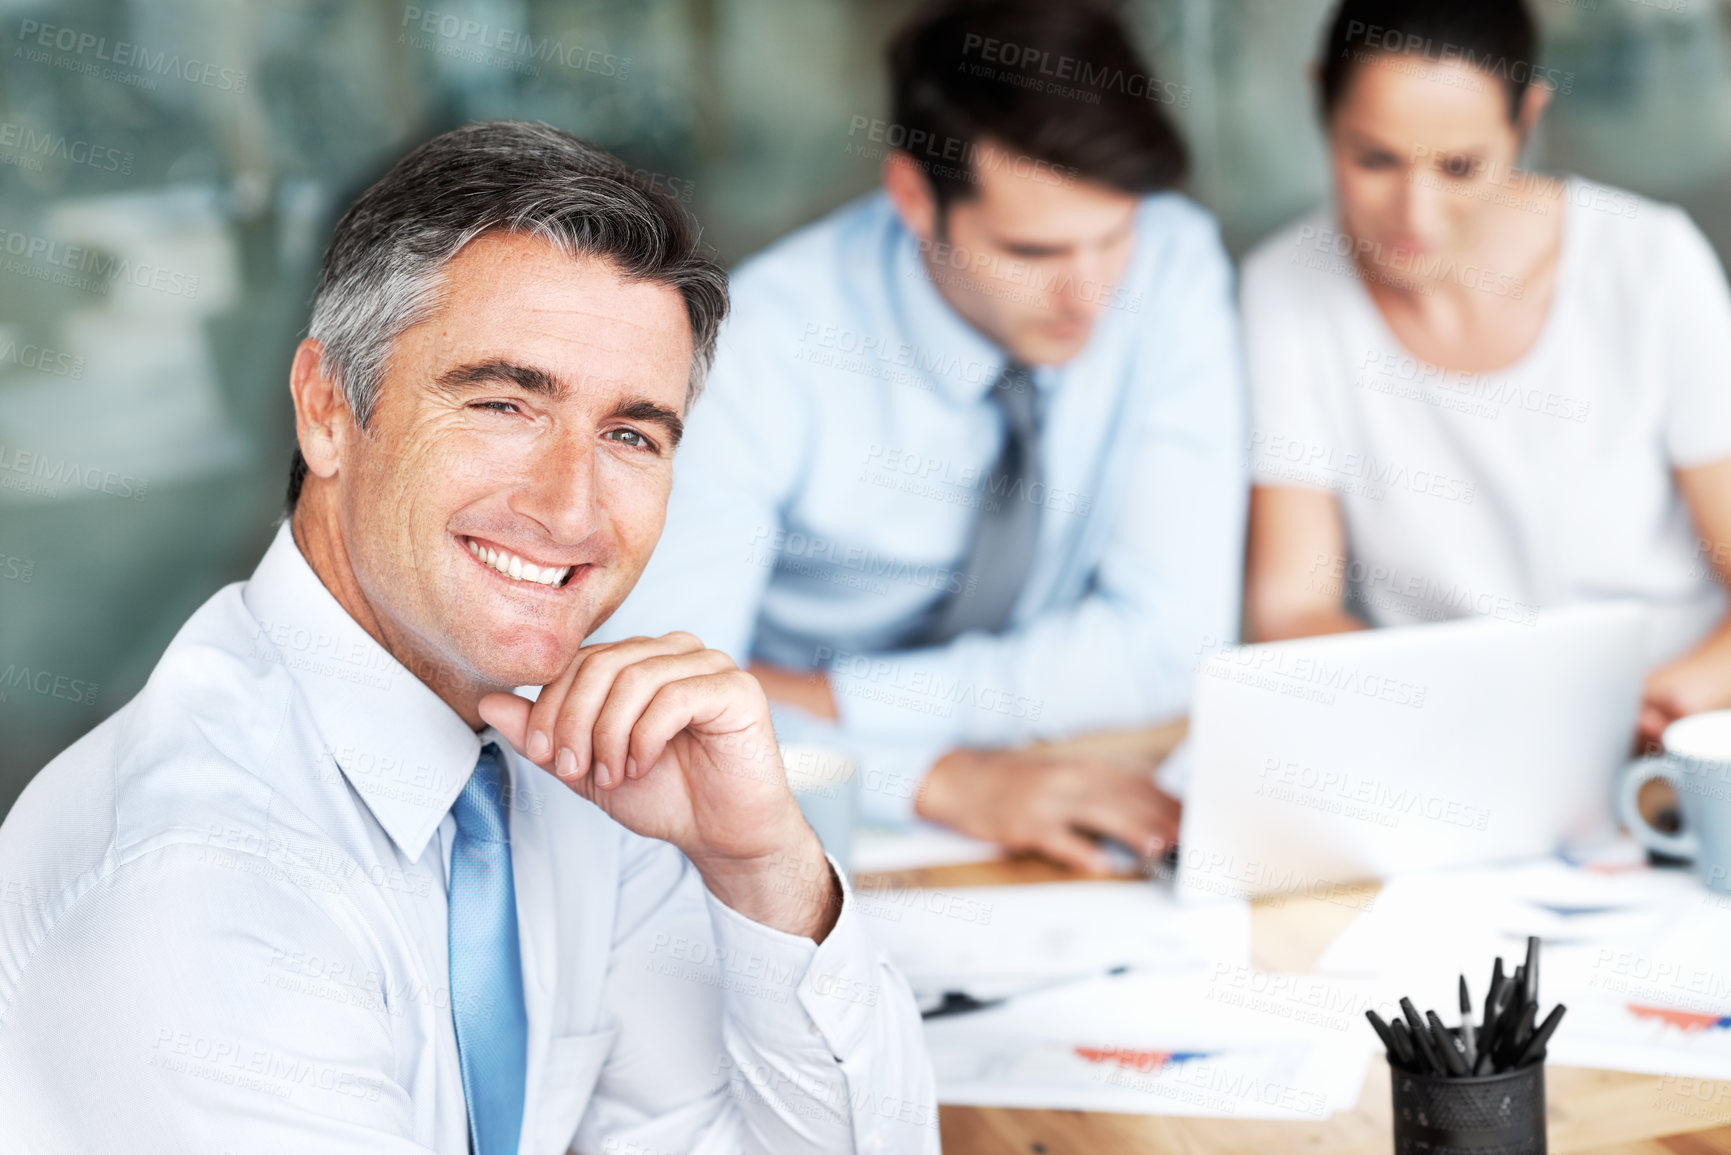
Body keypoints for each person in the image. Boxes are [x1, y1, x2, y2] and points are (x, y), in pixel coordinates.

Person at [0, 122, 937, 1155]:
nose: (573, 508)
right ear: (326, 410)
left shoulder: (565, 776)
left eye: (630, 433)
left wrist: (764, 867)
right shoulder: (204, 887)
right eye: (503, 402)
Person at [595, 0, 1246, 873]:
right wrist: (929, 776)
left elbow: (1171, 647)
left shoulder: (1170, 261)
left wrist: (838, 698)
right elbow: (659, 709)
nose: (1089, 296)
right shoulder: (762, 347)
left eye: (1111, 238)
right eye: (1033, 252)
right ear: (913, 197)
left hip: (1047, 772)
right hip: (798, 804)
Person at [1242, 0, 1731, 746]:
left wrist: (1664, 701)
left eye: (1459, 167)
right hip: (1448, 739)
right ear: (1319, 103)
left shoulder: (1649, 265)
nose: (1416, 213)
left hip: (1671, 730)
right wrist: (1463, 723)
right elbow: (1289, 608)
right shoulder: (1285, 286)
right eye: (1373, 159)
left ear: (1525, 118)